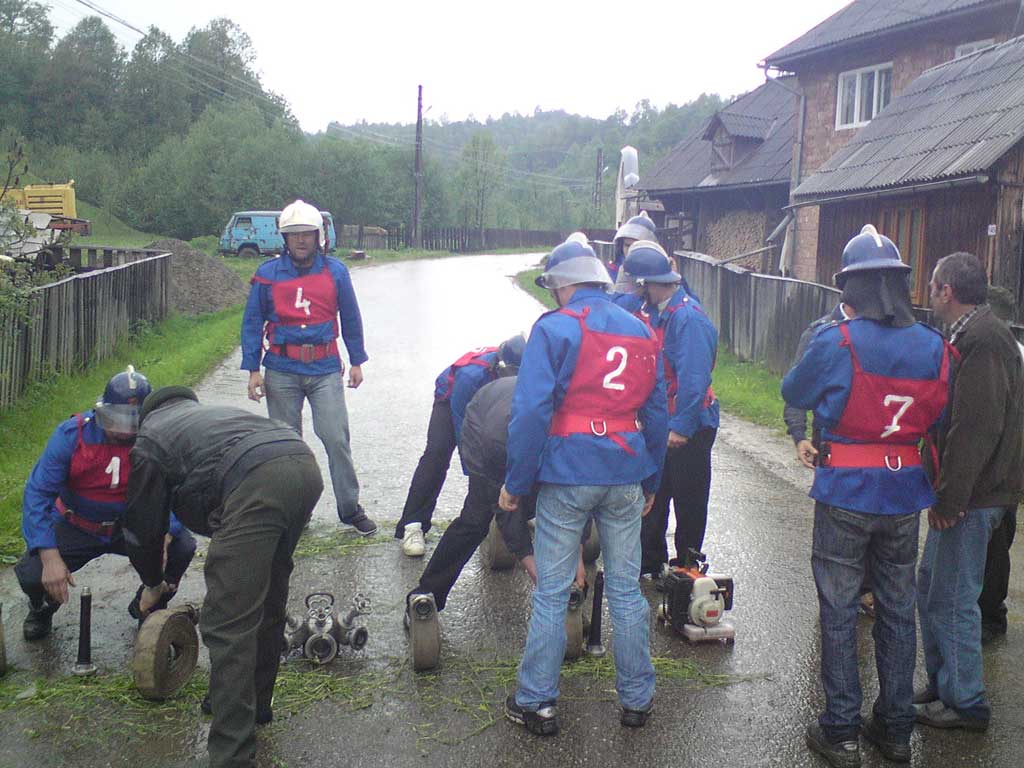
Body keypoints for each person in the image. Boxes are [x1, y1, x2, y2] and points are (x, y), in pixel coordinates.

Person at [782, 225, 954, 766]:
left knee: (838, 610)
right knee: (899, 611)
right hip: (904, 495)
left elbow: (794, 391)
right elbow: (941, 416)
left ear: (850, 288)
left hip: (846, 492)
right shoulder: (935, 347)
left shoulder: (838, 341)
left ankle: (841, 730)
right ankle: (897, 728)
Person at [499, 240, 668, 735]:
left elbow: (529, 412)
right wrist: (652, 478)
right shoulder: (641, 329)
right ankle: (638, 700)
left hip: (570, 472)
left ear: (562, 284)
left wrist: (516, 484)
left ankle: (537, 702)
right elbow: (656, 414)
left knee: (552, 592)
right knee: (625, 589)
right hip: (625, 471)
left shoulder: (555, 328)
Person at [123, 385, 323, 768]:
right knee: (267, 595)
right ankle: (256, 705)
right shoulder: (203, 419)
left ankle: (231, 755)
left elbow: (142, 528)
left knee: (228, 623)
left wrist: (153, 582)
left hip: (258, 481)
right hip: (301, 465)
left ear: (147, 415)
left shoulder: (150, 438)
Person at [915, 252, 1024, 733]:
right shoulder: (971, 333)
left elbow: (974, 427)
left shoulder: (983, 340)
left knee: (955, 597)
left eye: (933, 284)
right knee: (931, 587)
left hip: (975, 497)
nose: (929, 291)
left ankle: (966, 702)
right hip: (970, 494)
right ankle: (944, 685)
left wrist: (950, 499)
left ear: (947, 291)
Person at [15, 366, 196, 641]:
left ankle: (149, 607)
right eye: (115, 419)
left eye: (132, 423)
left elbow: (177, 490)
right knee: (32, 572)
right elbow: (38, 494)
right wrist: (50, 556)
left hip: (132, 526)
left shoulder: (160, 439)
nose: (124, 432)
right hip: (78, 524)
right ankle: (42, 608)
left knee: (182, 547)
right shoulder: (71, 435)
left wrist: (167, 534)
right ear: (102, 409)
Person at [240, 198, 375, 535]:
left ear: (319, 236)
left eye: (307, 234)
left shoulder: (336, 271)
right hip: (282, 369)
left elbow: (351, 317)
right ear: (284, 238)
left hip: (324, 367)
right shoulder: (267, 275)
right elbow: (252, 322)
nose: (301, 240)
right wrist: (253, 369)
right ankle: (293, 512)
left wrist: (357, 360)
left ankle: (350, 507)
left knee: (335, 438)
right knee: (285, 447)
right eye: (294, 234)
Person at [622, 242, 719, 579]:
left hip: (690, 426)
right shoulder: (657, 312)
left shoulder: (687, 319)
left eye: (640, 285)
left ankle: (688, 567)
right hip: (662, 422)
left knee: (688, 500)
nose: (638, 292)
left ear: (652, 282)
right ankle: (651, 562)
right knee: (656, 494)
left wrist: (681, 426)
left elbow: (694, 377)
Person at [394, 335, 526, 557]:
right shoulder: (472, 376)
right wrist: (481, 486)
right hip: (452, 399)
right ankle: (413, 524)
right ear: (499, 366)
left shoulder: (526, 368)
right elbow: (467, 437)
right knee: (437, 455)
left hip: (493, 404)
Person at [976, 285, 1022, 643]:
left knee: (989, 542)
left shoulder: (995, 352)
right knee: (999, 541)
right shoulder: (1017, 351)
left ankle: (989, 615)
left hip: (996, 463)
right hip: (1012, 465)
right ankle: (992, 613)